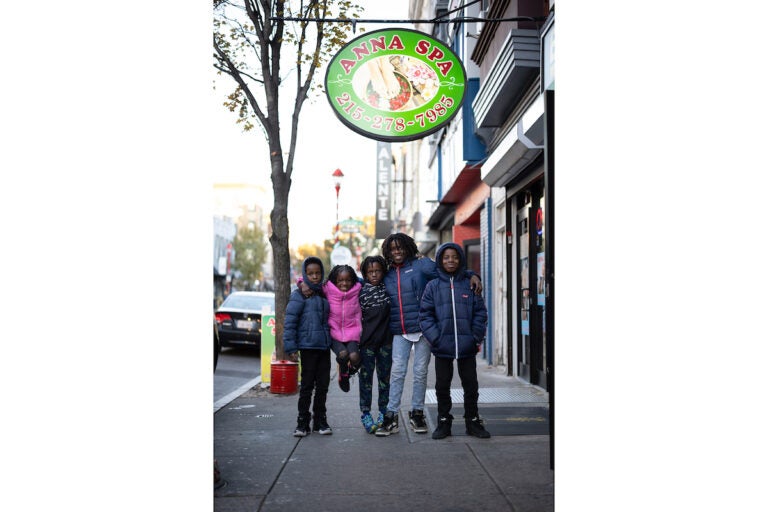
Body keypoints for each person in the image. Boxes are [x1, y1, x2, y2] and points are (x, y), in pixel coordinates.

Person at [376, 233, 482, 437]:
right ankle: (391, 415)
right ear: (388, 252)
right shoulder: (387, 273)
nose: (396, 251)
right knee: (397, 371)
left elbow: (448, 271)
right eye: (392, 249)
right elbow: (365, 281)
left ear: (407, 247)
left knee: (420, 372)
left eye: (400, 247)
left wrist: (471, 275)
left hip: (424, 329)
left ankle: (417, 413)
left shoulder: (422, 265)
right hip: (400, 330)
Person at [419, 242, 491, 439]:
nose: (451, 260)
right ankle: (444, 422)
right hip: (442, 346)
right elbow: (425, 315)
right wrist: (436, 339)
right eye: (446, 257)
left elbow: (480, 313)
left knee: (471, 384)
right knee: (442, 385)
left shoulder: (470, 283)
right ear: (440, 261)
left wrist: (475, 337)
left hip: (466, 345)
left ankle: (473, 421)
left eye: (455, 257)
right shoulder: (433, 286)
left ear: (460, 260)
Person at [284, 256, 333, 437]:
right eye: (310, 274)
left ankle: (320, 420)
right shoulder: (299, 295)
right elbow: (290, 322)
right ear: (304, 274)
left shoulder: (324, 292)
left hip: (324, 348)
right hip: (307, 348)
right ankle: (302, 422)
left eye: (317, 273)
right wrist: (291, 348)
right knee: (306, 387)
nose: (314, 277)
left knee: (323, 386)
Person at [357, 255, 393, 434]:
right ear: (364, 273)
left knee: (384, 380)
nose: (374, 274)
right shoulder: (360, 292)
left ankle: (383, 413)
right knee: (366, 380)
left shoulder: (388, 288)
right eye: (370, 271)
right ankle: (365, 413)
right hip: (367, 346)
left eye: (377, 270)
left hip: (386, 343)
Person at [324, 264, 363, 393]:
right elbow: (312, 284)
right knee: (343, 354)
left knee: (355, 357)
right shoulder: (327, 289)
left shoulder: (357, 290)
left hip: (352, 332)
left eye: (348, 280)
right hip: (334, 333)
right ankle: (343, 373)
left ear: (353, 280)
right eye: (340, 280)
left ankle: (349, 370)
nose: (344, 283)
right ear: (335, 280)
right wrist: (302, 282)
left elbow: (368, 281)